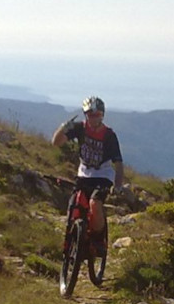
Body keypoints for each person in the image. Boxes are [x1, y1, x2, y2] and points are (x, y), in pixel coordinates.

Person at [52, 96, 123, 252]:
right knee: (75, 203)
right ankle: (72, 239)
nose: (93, 118)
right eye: (90, 115)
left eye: (97, 115)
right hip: (84, 173)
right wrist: (63, 128)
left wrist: (117, 185)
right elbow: (56, 143)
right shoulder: (80, 128)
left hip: (103, 175)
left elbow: (118, 163)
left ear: (102, 115)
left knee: (94, 203)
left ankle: (98, 240)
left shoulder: (109, 135)